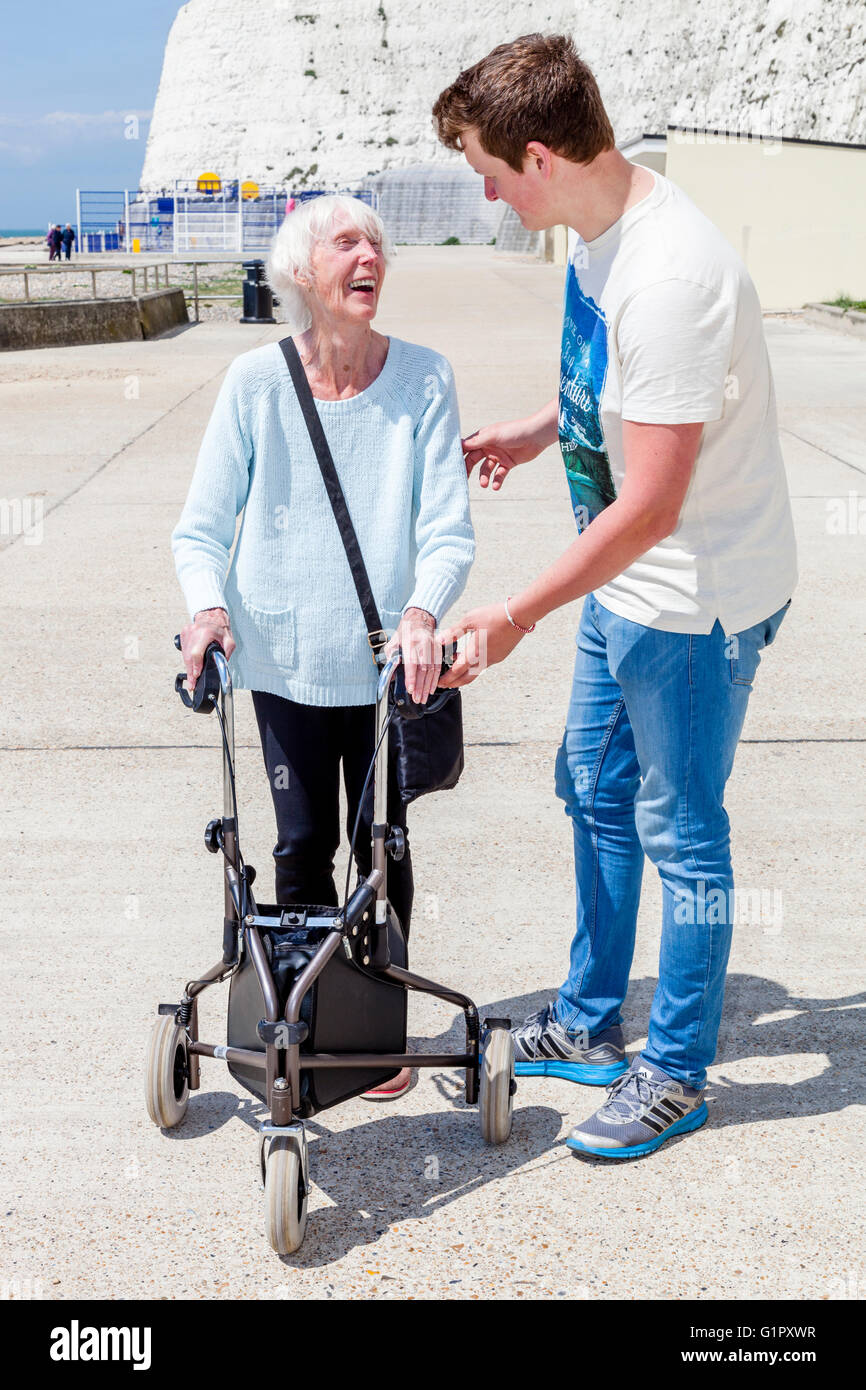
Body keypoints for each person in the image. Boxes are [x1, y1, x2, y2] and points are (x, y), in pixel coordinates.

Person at [433, 34, 797, 1157]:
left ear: (538, 156)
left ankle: (675, 1069)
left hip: (691, 600)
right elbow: (630, 394)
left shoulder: (667, 273)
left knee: (681, 832)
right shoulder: (596, 230)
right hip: (627, 579)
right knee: (590, 782)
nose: (482, 191)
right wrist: (544, 428)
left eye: (486, 170)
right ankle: (590, 1023)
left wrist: (510, 614)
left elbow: (651, 506)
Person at [172, 194, 474, 1100]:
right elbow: (200, 530)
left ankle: (374, 1030)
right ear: (305, 272)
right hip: (284, 664)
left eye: (376, 241)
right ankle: (304, 1028)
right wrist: (205, 611)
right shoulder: (254, 383)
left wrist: (423, 612)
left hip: (387, 666)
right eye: (346, 242)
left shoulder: (424, 378)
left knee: (381, 845)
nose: (367, 255)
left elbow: (446, 531)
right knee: (300, 845)